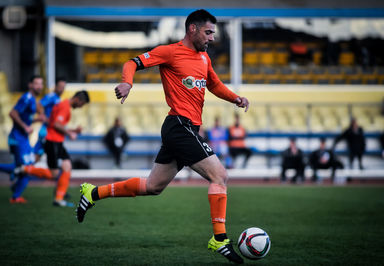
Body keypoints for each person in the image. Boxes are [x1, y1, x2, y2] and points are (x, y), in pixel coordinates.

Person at [76, 9, 249, 264]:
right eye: (208, 32)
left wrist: (235, 98)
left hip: (186, 129)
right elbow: (131, 63)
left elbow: (213, 85)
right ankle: (220, 239)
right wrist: (127, 83)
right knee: (219, 175)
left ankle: (93, 193)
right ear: (193, 29)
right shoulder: (170, 51)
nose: (212, 38)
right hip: (179, 126)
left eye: (213, 33)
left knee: (153, 186)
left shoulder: (204, 58)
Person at [16, 90, 90, 207]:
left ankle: (59, 199)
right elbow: (56, 125)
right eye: (82, 104)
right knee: (54, 174)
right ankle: (25, 169)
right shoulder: (64, 106)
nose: (81, 107)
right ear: (78, 99)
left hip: (58, 141)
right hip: (52, 141)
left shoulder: (64, 105)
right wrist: (70, 133)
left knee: (67, 166)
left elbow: (57, 125)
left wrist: (74, 131)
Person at [7, 75, 47, 203]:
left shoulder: (32, 100)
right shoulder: (27, 98)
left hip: (23, 139)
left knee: (25, 167)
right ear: (30, 85)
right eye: (36, 83)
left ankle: (15, 189)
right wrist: (25, 127)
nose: (39, 86)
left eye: (41, 84)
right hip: (18, 138)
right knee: (27, 168)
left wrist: (36, 120)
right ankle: (15, 195)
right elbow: (12, 113)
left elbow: (26, 117)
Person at [33, 77, 66, 163]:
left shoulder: (58, 99)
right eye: (60, 87)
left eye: (63, 87)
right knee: (43, 155)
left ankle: (23, 169)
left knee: (38, 155)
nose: (61, 89)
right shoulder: (51, 96)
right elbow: (39, 104)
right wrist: (43, 116)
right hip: (46, 131)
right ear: (55, 86)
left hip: (49, 130)